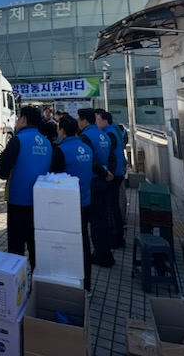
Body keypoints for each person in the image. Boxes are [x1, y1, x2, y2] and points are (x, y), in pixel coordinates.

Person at [0, 106, 52, 269]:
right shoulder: (47, 142)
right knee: (36, 247)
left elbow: (1, 170)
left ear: (23, 120)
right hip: (40, 203)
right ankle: (37, 285)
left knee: (16, 248)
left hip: (18, 202)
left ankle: (18, 288)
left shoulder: (18, 140)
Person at [50, 115, 93, 291]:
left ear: (62, 131)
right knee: (83, 243)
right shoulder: (87, 148)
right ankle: (86, 285)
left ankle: (69, 286)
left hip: (67, 207)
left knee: (67, 245)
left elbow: (54, 180)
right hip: (85, 201)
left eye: (59, 129)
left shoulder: (61, 151)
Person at [77, 108, 116, 267]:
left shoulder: (85, 136)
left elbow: (88, 160)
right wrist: (110, 173)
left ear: (84, 121)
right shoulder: (104, 135)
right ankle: (106, 252)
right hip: (106, 181)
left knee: (95, 221)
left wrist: (103, 172)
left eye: (79, 120)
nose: (78, 123)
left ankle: (100, 254)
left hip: (93, 181)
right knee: (103, 218)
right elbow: (113, 157)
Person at [95, 108, 127, 248]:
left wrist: (107, 172)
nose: (96, 123)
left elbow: (109, 154)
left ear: (105, 120)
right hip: (117, 172)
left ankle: (116, 237)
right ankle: (117, 235)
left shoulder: (109, 133)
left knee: (112, 206)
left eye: (97, 120)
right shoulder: (114, 130)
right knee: (113, 206)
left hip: (113, 174)